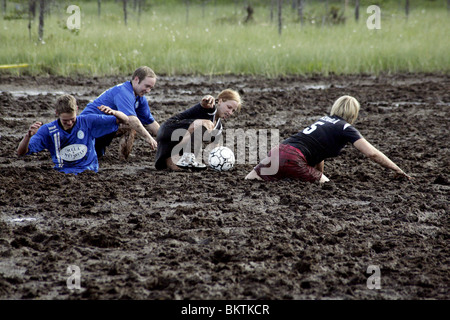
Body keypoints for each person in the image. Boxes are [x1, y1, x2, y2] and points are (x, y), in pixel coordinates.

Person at [245, 95, 412, 183]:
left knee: (250, 180)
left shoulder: (324, 120)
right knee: (327, 186)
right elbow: (372, 154)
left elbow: (320, 154)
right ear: (354, 114)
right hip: (293, 158)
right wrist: (397, 169)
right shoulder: (346, 128)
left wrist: (318, 172)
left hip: (278, 151)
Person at [17, 94, 129, 174]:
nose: (69, 123)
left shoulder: (88, 121)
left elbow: (124, 120)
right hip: (62, 174)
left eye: (72, 119)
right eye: (65, 121)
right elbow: (21, 152)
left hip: (89, 173)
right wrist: (28, 136)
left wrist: (114, 112)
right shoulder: (48, 130)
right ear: (57, 113)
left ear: (77, 109)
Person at [80, 66, 160, 160]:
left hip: (103, 127)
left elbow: (150, 122)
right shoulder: (124, 91)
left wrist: (168, 138)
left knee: (98, 155)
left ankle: (120, 159)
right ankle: (123, 160)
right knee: (130, 125)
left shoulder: (140, 98)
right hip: (86, 129)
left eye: (151, 88)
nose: (148, 91)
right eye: (146, 86)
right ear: (136, 79)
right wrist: (149, 138)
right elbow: (132, 120)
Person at [155, 89, 242, 171]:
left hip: (170, 143)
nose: (230, 112)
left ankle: (173, 158)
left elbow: (216, 149)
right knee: (206, 124)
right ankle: (187, 157)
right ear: (219, 101)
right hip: (168, 128)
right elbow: (205, 102)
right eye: (229, 107)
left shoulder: (219, 127)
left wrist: (223, 160)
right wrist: (208, 98)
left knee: (179, 168)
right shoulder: (210, 109)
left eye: (233, 111)